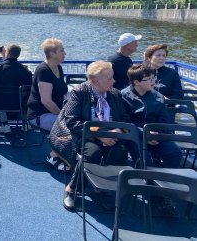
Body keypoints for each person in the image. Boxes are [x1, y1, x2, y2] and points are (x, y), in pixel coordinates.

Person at [51, 61, 130, 211]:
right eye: (109, 78)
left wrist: (118, 131)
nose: (114, 81)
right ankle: (72, 189)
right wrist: (99, 136)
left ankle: (102, 189)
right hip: (85, 135)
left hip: (111, 135)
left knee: (120, 151)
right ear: (95, 80)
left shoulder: (115, 94)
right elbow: (72, 121)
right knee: (93, 152)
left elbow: (124, 119)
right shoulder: (80, 92)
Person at [121, 64, 182, 168]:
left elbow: (163, 119)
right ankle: (145, 180)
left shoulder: (158, 96)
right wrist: (144, 133)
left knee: (175, 153)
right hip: (135, 136)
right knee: (144, 158)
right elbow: (124, 122)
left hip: (155, 135)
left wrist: (157, 134)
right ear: (136, 82)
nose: (153, 82)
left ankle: (165, 179)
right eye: (149, 79)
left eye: (154, 78)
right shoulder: (123, 96)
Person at [0, 45, 32, 133]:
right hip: (19, 104)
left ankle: (4, 124)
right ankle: (25, 123)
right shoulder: (24, 70)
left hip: (0, 105)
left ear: (7, 53)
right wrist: (6, 56)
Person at [27, 38, 68, 132]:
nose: (65, 53)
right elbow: (46, 101)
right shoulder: (43, 71)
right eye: (61, 51)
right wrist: (63, 116)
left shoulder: (59, 68)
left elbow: (63, 94)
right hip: (40, 115)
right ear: (52, 54)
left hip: (55, 113)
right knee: (73, 126)